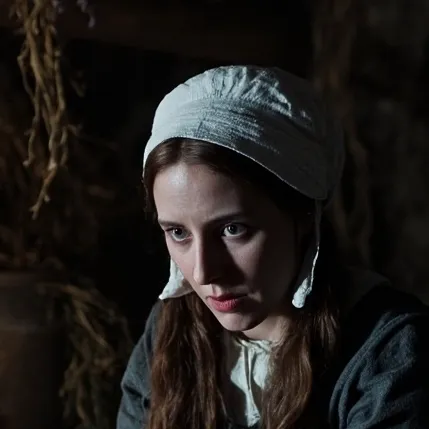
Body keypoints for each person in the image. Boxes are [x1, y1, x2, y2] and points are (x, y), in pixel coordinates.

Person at [116, 66, 429, 429]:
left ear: (302, 215)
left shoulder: (389, 350)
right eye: (178, 233)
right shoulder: (168, 333)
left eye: (232, 229)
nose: (204, 272)